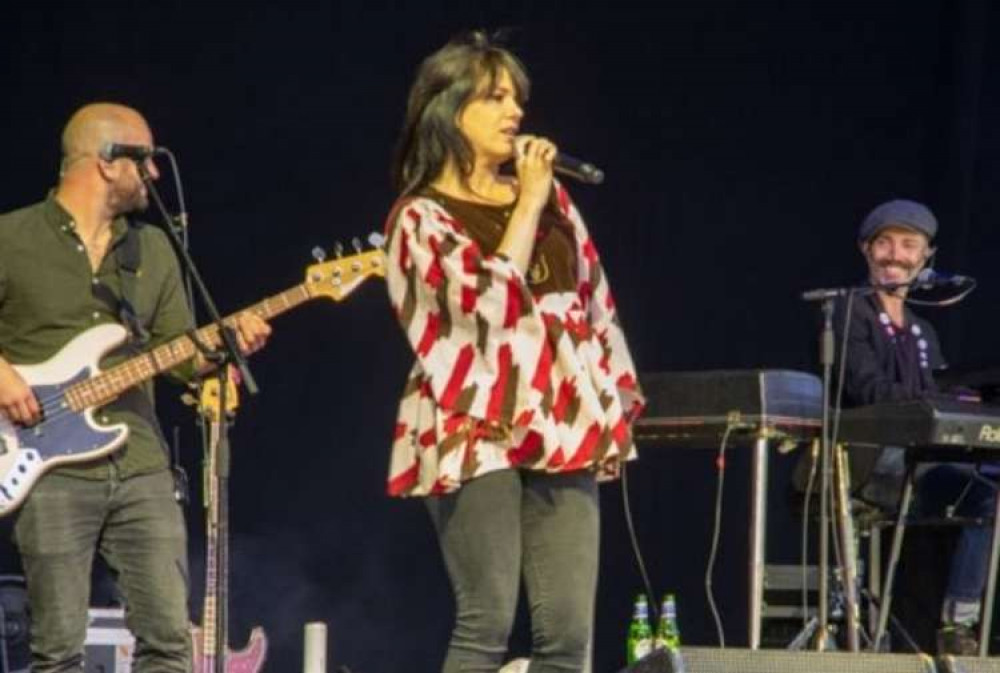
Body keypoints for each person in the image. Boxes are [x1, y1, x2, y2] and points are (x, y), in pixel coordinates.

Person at [383, 33, 644, 672]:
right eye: (496, 97)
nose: (516, 113)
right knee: (487, 619)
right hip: (473, 419)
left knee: (567, 635)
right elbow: (488, 310)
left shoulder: (556, 200)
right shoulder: (420, 219)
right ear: (448, 110)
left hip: (562, 417)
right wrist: (527, 197)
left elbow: (593, 300)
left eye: (517, 98)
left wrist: (613, 394)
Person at [0, 103, 271, 673]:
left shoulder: (151, 250)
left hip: (140, 462)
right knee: (57, 651)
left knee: (170, 642)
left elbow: (176, 356)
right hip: (45, 464)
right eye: (144, 159)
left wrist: (223, 347)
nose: (153, 173)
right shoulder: (12, 237)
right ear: (105, 162)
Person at [837, 199, 993, 655]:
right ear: (866, 250)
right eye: (884, 243)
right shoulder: (848, 311)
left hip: (921, 459)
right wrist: (933, 400)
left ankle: (958, 621)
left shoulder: (924, 330)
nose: (895, 255)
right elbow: (865, 388)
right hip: (874, 458)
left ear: (926, 257)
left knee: (992, 489)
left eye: (909, 245)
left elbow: (943, 396)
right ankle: (950, 622)